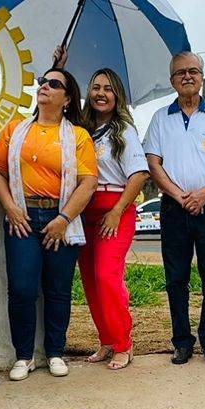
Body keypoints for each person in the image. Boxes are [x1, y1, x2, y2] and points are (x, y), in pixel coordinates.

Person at [0, 68, 98, 380]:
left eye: (54, 84)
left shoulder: (77, 136)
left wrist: (63, 220)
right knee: (22, 289)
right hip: (22, 217)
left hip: (60, 218)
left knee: (58, 290)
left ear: (66, 98)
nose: (45, 87)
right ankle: (23, 356)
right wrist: (10, 208)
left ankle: (54, 352)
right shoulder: (15, 130)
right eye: (43, 82)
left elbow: (88, 182)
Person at [143, 51, 205, 365]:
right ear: (172, 80)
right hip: (174, 208)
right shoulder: (160, 118)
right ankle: (182, 342)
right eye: (180, 72)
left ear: (202, 78)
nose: (187, 76)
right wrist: (180, 195)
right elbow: (153, 164)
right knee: (176, 279)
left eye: (193, 71)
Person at [78, 68, 148, 371]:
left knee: (107, 275)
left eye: (108, 88)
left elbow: (140, 174)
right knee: (91, 281)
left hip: (115, 209)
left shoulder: (123, 131)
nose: (101, 93)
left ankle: (123, 343)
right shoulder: (81, 130)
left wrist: (117, 211)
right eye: (95, 87)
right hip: (84, 211)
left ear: (117, 95)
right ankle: (106, 340)